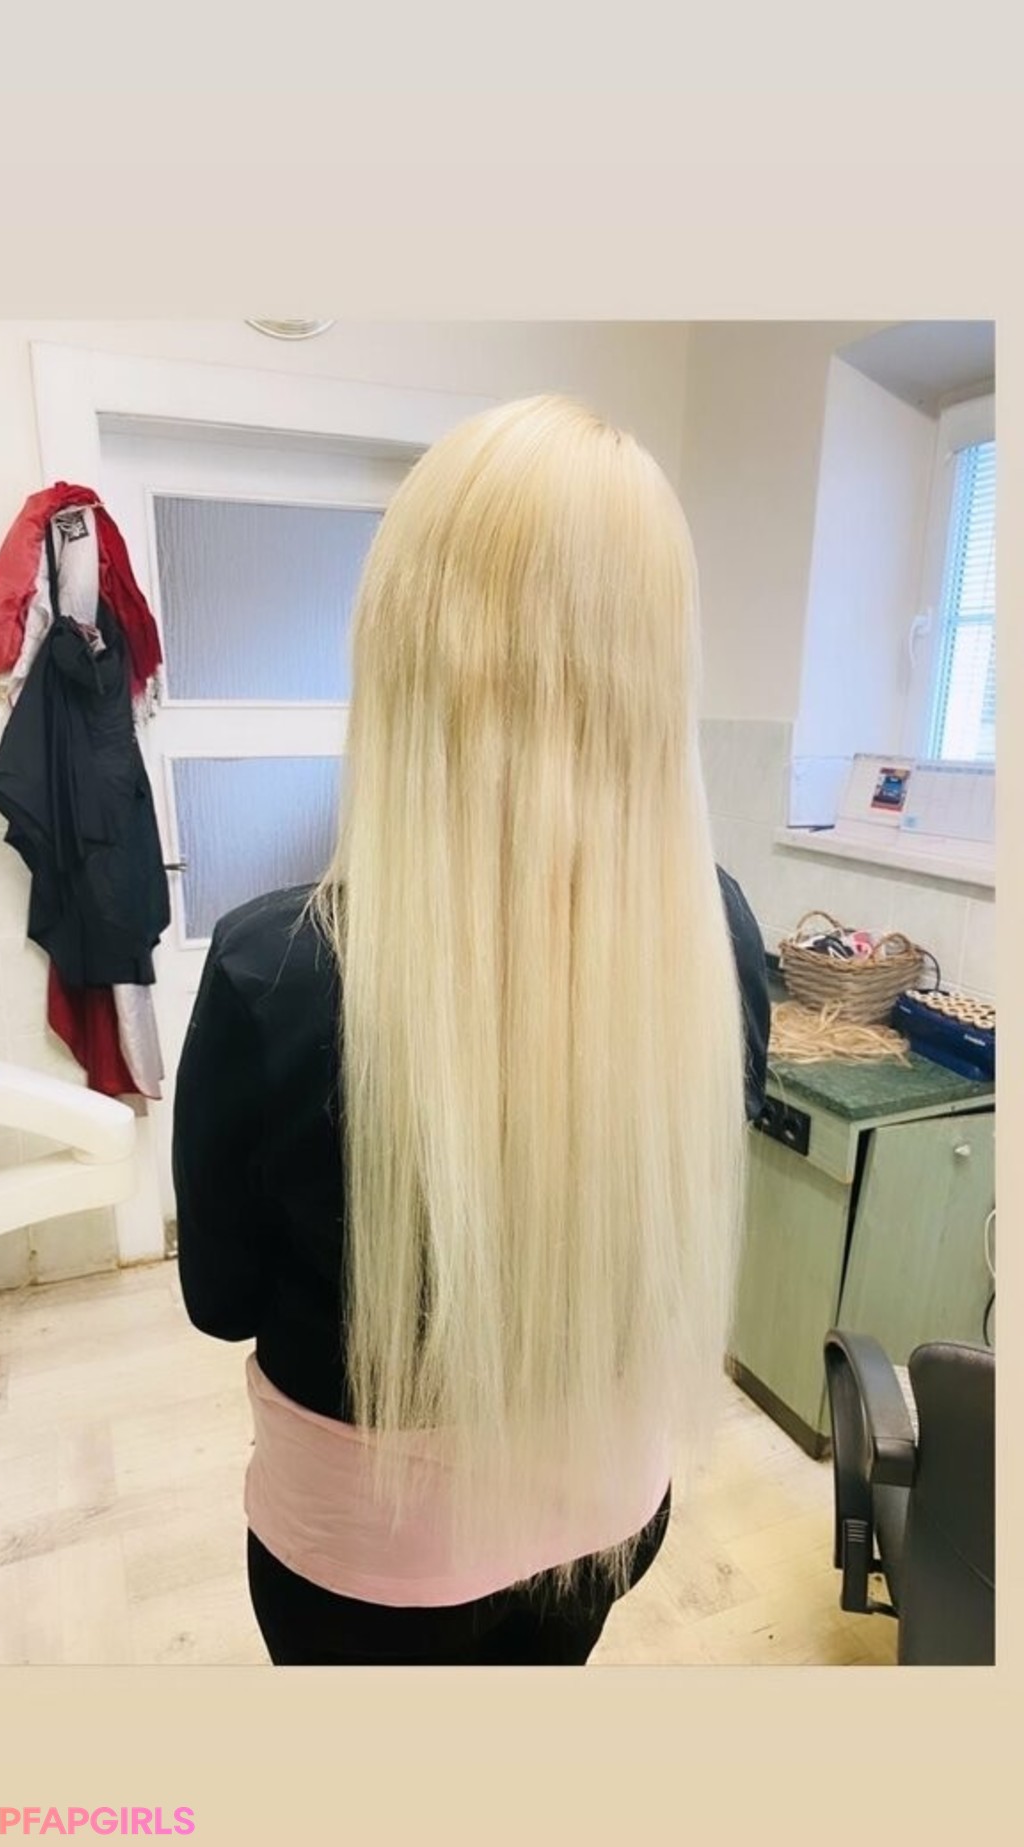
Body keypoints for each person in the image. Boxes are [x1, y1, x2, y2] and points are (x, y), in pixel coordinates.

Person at [173, 394, 769, 1666]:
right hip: (607, 1513)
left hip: (366, 1563)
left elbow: (220, 1300)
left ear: (404, 647)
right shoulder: (715, 929)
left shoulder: (275, 970)